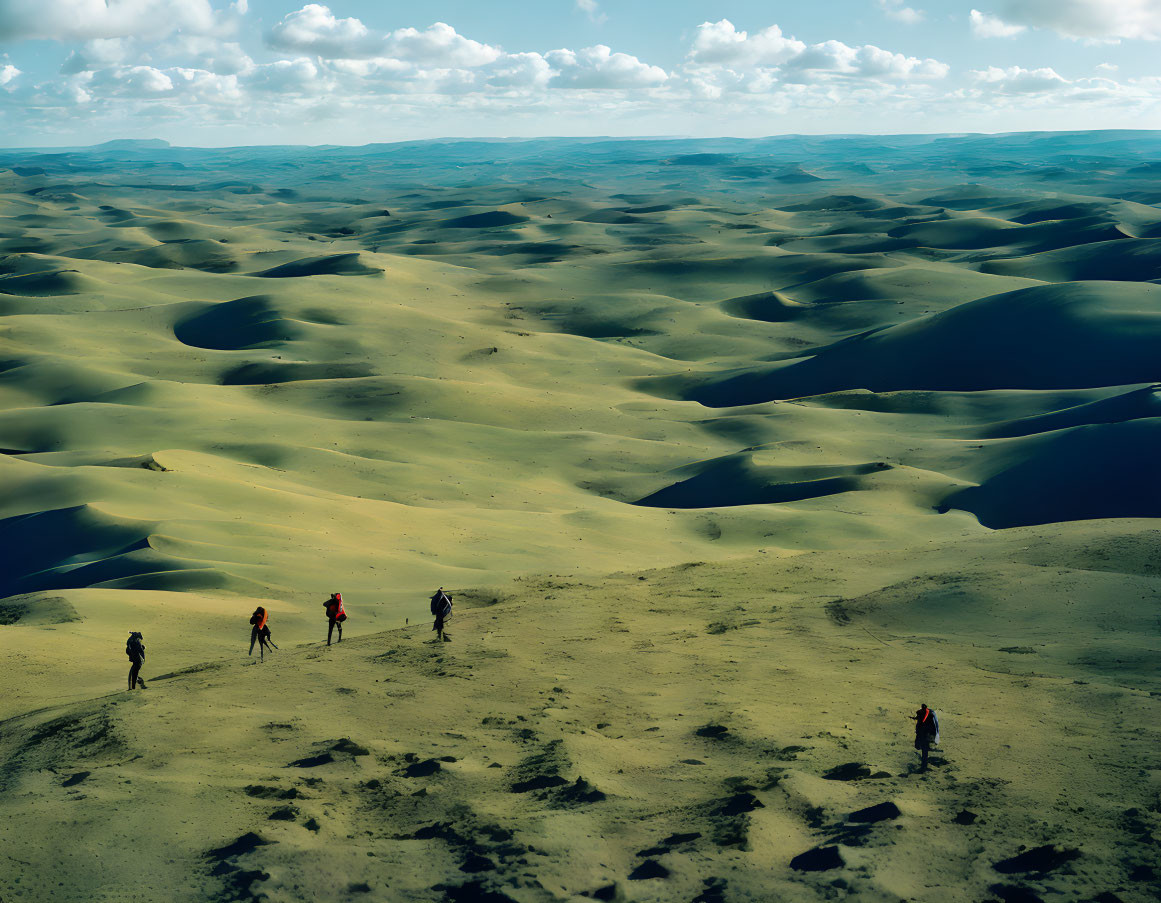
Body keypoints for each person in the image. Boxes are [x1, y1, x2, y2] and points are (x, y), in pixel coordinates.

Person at [910, 703, 940, 771]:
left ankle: (923, 766)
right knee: (924, 750)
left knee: (923, 749)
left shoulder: (924, 714)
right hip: (925, 734)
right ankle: (924, 765)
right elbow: (934, 726)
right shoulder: (930, 714)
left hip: (923, 734)